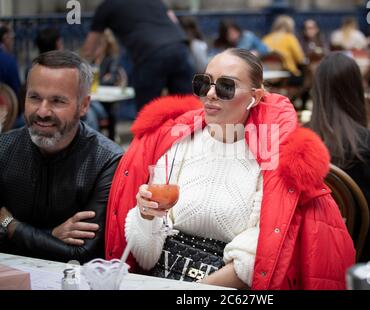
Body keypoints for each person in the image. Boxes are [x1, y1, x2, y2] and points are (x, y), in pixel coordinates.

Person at [105, 48, 355, 289]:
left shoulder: (271, 158)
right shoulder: (178, 143)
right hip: (164, 277)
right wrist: (146, 216)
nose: (210, 94)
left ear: (254, 97)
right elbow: (147, 258)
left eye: (226, 86)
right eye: (204, 83)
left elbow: (256, 261)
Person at [0, 50, 123, 263]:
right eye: (34, 98)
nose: (43, 111)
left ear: (84, 105)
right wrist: (51, 236)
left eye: (57, 101)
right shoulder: (3, 148)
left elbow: (82, 255)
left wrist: (9, 224)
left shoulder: (106, 161)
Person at [309, 52, 370, 277]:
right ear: (356, 89)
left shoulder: (301, 142)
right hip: (363, 254)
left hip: (311, 252)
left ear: (318, 90)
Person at [82, 0, 194, 111]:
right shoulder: (155, 2)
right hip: (179, 46)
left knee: (147, 113)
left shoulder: (106, 6)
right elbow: (173, 19)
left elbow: (89, 49)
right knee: (185, 106)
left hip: (150, 53)